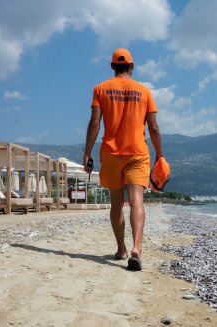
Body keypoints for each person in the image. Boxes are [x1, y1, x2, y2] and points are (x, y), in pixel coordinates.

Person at [83, 48, 163, 271]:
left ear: (112, 67)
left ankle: (121, 249)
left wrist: (87, 152)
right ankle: (137, 248)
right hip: (138, 153)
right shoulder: (144, 91)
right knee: (137, 201)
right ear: (132, 66)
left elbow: (95, 124)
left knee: (116, 203)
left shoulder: (100, 89)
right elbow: (154, 128)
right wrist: (160, 155)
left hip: (111, 152)